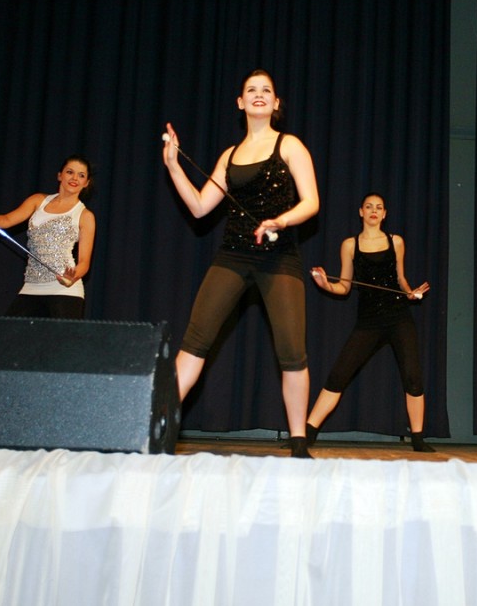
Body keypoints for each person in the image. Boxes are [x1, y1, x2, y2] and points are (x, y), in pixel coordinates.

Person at [162, 68, 319, 458]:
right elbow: (200, 207)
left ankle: (299, 443)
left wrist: (281, 221)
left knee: (292, 352)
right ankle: (156, 429)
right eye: (251, 90)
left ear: (276, 102)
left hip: (279, 257)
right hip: (233, 254)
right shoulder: (229, 156)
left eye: (266, 90)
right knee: (194, 343)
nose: (259, 94)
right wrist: (173, 165)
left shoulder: (290, 145)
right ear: (240, 102)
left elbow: (311, 202)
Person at [306, 193, 434, 451]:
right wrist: (325, 284)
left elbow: (400, 278)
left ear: (384, 214)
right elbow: (344, 287)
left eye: (379, 207)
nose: (374, 211)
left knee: (413, 377)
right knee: (338, 375)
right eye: (369, 206)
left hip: (398, 317)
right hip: (368, 321)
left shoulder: (396, 241)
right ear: (361, 212)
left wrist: (410, 293)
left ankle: (418, 439)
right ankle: (305, 435)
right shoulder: (349, 245)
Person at [0, 155, 95, 318]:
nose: (74, 178)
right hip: (32, 287)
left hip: (65, 290)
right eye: (70, 172)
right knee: (9, 332)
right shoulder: (38, 201)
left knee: (62, 336)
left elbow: (84, 263)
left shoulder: (85, 216)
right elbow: (7, 219)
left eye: (81, 175)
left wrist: (72, 276)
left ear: (86, 183)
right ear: (60, 175)